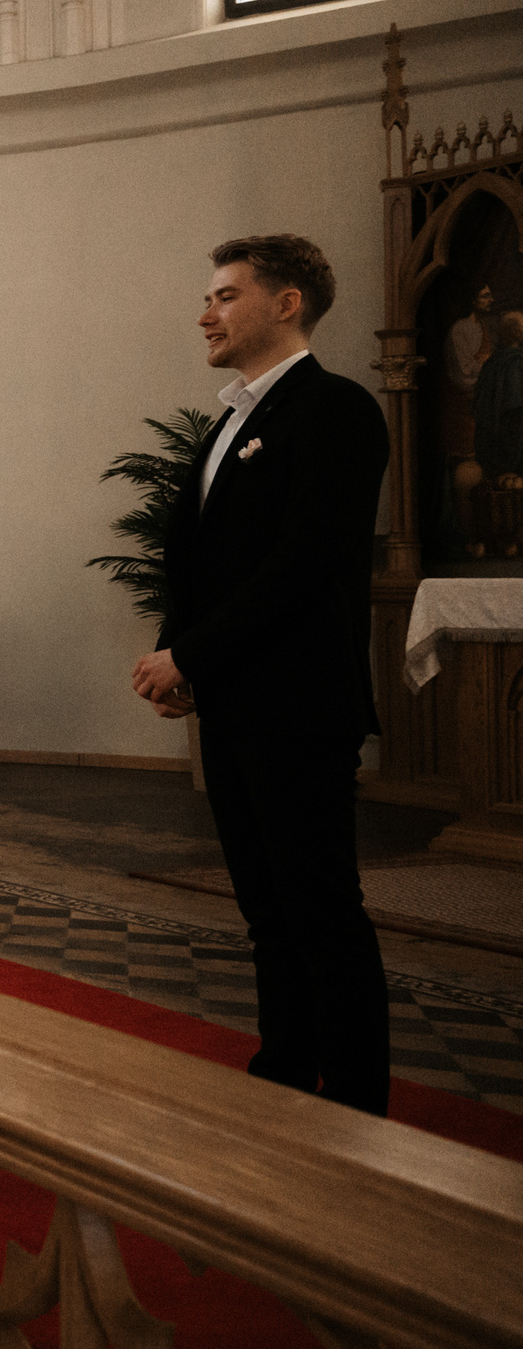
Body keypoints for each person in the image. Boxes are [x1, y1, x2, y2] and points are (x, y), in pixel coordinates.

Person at [132, 234, 392, 1115]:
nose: (206, 312)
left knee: (320, 907)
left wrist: (190, 652)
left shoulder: (338, 410)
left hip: (299, 705)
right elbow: (199, 563)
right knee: (265, 907)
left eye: (225, 294)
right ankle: (286, 1067)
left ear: (286, 304)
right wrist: (181, 659)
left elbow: (303, 566)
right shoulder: (227, 423)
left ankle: (356, 1098)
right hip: (237, 701)